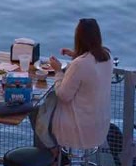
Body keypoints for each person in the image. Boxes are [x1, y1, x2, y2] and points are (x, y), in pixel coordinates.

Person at [44, 18, 114, 152]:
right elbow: (90, 68)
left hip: (78, 128)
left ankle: (52, 155)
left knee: (39, 112)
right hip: (99, 125)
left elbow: (63, 95)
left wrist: (58, 71)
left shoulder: (80, 64)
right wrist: (76, 55)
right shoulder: (107, 56)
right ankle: (54, 155)